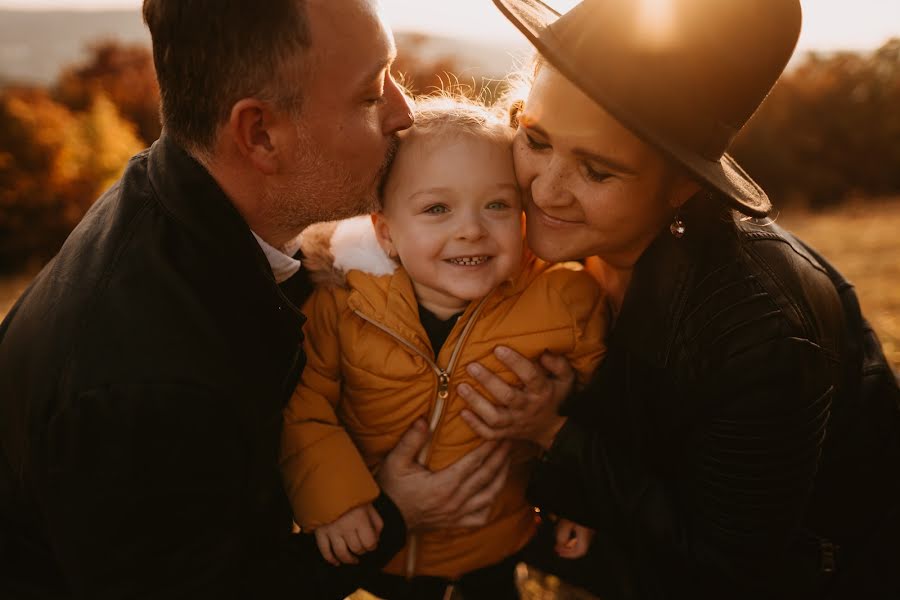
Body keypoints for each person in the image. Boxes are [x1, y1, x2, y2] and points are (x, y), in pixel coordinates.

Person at [0, 1, 513, 598]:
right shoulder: (148, 384)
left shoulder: (172, 197)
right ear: (261, 134)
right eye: (371, 95)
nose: (405, 113)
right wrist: (395, 515)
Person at [456, 0, 900, 598]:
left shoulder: (759, 329)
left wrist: (553, 435)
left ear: (682, 185)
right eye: (534, 137)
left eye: (597, 171)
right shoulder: (528, 241)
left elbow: (726, 567)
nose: (543, 188)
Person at [280, 96, 606, 600]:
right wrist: (337, 500)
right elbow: (305, 407)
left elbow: (597, 410)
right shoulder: (344, 306)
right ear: (386, 233)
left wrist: (577, 500)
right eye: (437, 208)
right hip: (376, 558)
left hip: (491, 555)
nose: (471, 229)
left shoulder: (563, 302)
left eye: (497, 204)